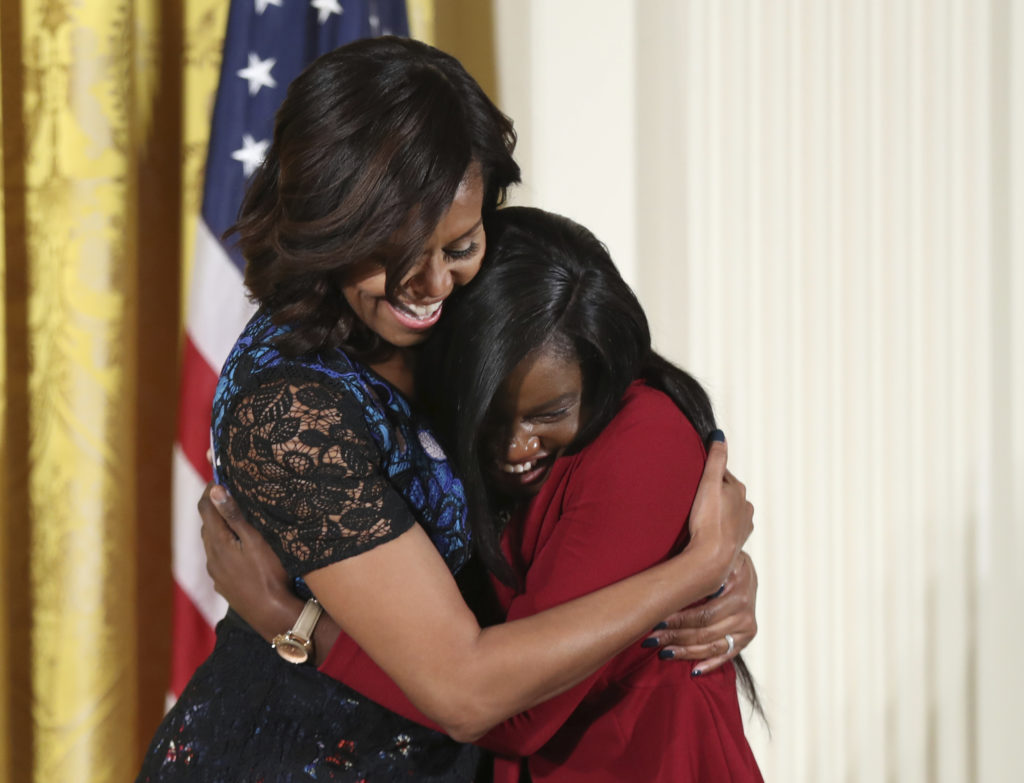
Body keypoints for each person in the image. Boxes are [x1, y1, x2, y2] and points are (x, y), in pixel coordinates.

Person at [138, 37, 754, 782]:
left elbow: (615, 370)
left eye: (459, 243)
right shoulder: (291, 413)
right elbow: (466, 691)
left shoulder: (469, 298)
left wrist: (708, 555)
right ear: (328, 224)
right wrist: (693, 569)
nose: (431, 284)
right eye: (395, 251)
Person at [203, 207, 764, 782]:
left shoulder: (643, 436)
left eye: (552, 414)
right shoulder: (432, 409)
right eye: (491, 417)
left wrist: (290, 621)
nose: (517, 446)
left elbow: (515, 713)